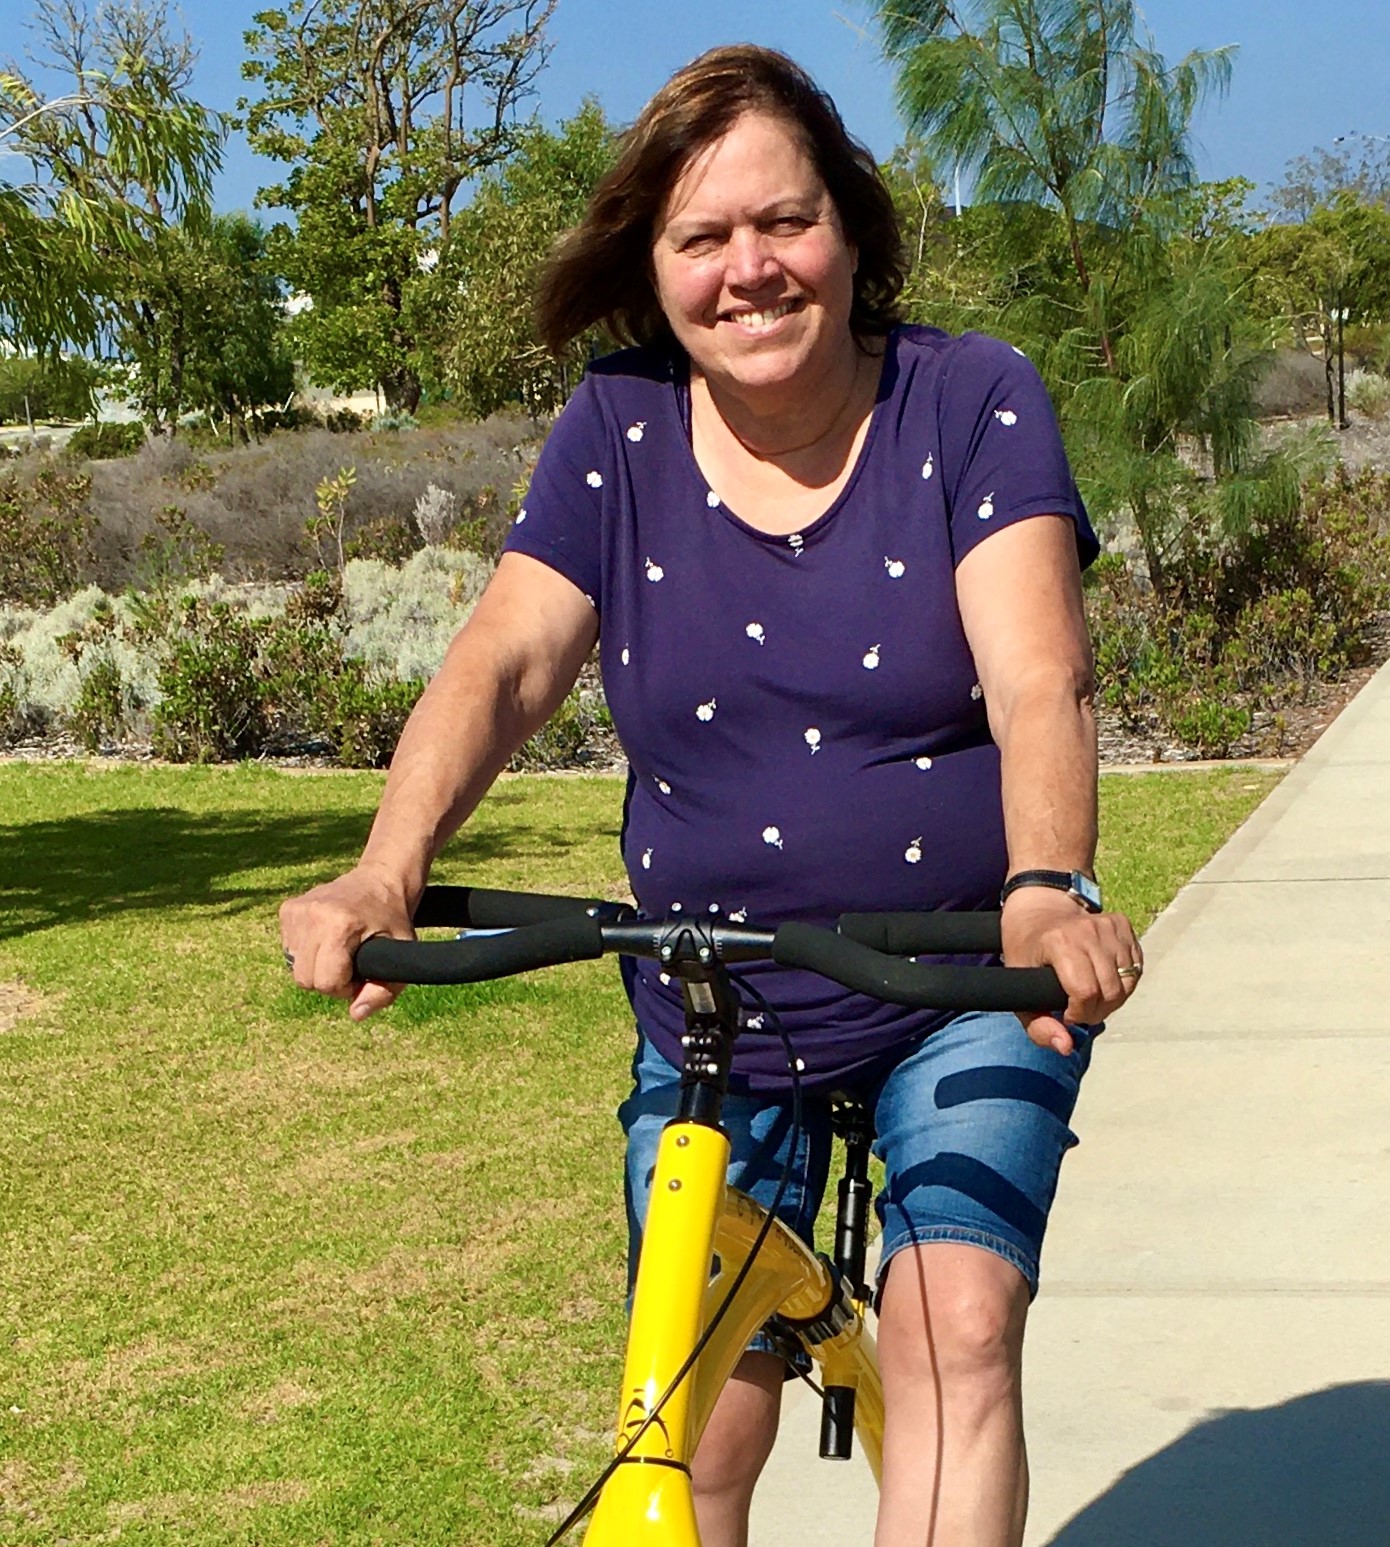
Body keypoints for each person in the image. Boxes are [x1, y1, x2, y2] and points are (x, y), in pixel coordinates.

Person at [280, 44, 1143, 1547]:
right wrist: (384, 869)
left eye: (785, 222)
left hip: (956, 973)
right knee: (686, 1423)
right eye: (702, 238)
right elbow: (502, 665)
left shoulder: (970, 400)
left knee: (953, 1332)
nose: (750, 268)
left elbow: (1038, 679)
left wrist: (1044, 884)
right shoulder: (615, 431)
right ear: (654, 269)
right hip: (714, 1004)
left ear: (852, 234)